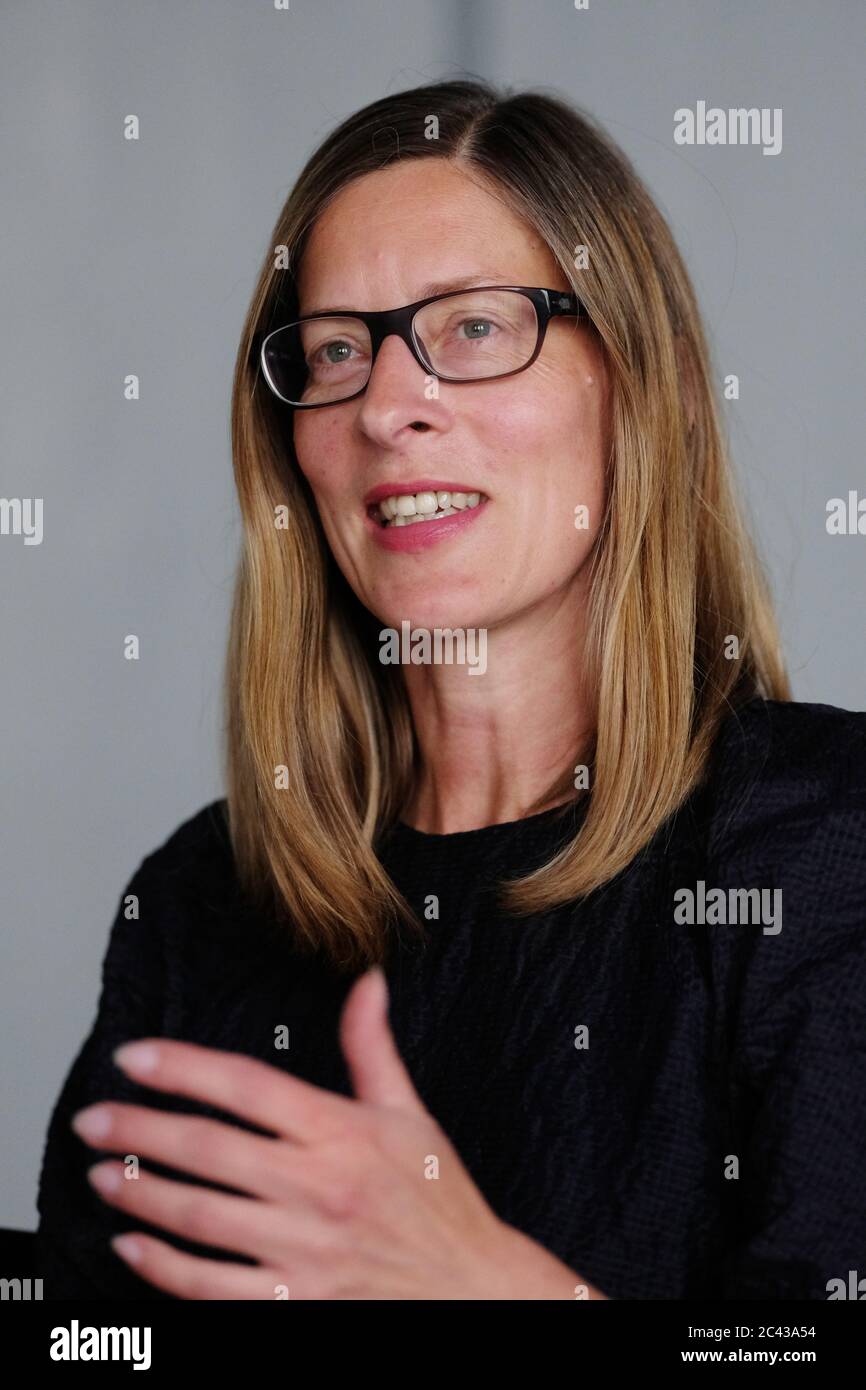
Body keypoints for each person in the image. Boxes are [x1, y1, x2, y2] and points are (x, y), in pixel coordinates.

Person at [36, 78, 866, 1300]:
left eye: (474, 326)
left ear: (644, 384)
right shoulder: (199, 904)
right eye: (334, 349)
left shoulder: (820, 846)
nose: (386, 405)